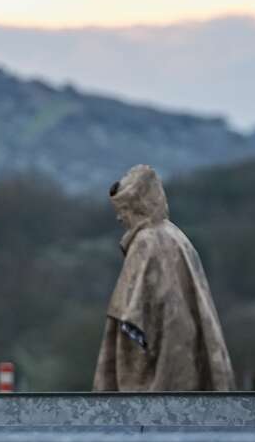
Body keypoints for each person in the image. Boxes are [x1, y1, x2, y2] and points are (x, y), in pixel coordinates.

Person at [93, 164, 234, 392]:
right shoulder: (177, 237)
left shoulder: (145, 243)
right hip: (185, 362)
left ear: (137, 206)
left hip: (159, 376)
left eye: (124, 209)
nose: (119, 218)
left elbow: (133, 321)